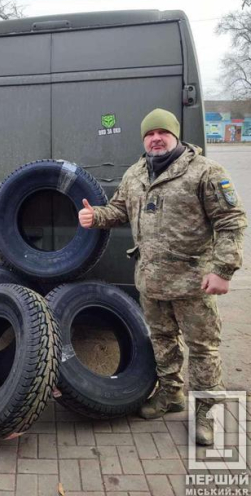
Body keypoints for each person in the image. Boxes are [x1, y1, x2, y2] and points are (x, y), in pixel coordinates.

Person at [78, 108, 247, 445]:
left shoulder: (205, 173)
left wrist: (223, 270)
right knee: (162, 342)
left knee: (203, 350)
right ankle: (171, 395)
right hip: (151, 282)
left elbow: (231, 221)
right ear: (144, 139)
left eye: (162, 133)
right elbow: (119, 210)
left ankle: (205, 414)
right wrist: (94, 215)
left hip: (193, 282)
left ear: (175, 136)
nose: (156, 138)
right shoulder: (135, 174)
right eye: (149, 134)